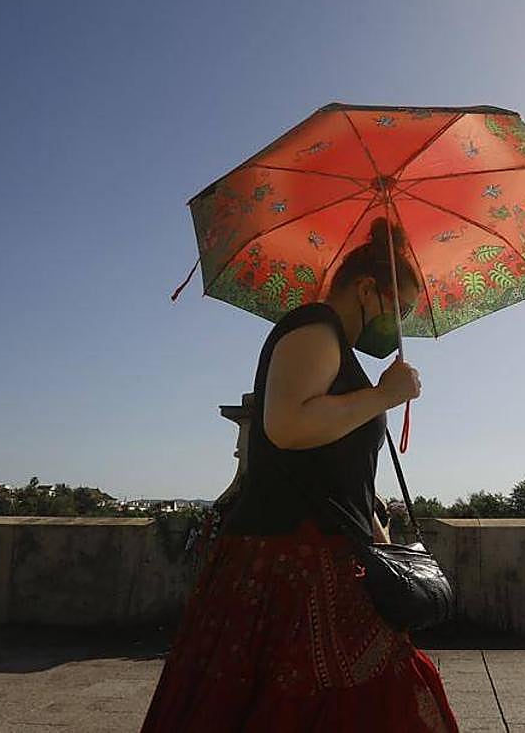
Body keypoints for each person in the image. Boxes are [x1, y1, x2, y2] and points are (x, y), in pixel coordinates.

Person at [140, 217, 459, 732]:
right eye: (398, 308)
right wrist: (383, 396)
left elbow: (333, 464)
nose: (399, 322)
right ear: (366, 289)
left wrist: (373, 522)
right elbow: (287, 426)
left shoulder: (338, 347)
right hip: (291, 562)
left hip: (325, 554)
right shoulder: (314, 328)